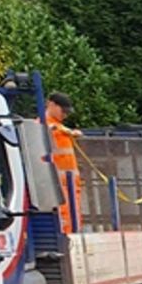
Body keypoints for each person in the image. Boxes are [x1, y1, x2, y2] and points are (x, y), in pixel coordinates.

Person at [44, 91, 81, 232]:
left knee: (73, 218)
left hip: (70, 185)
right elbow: (47, 129)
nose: (65, 115)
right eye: (63, 111)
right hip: (56, 184)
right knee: (63, 220)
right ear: (51, 105)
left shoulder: (59, 127)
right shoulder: (45, 125)